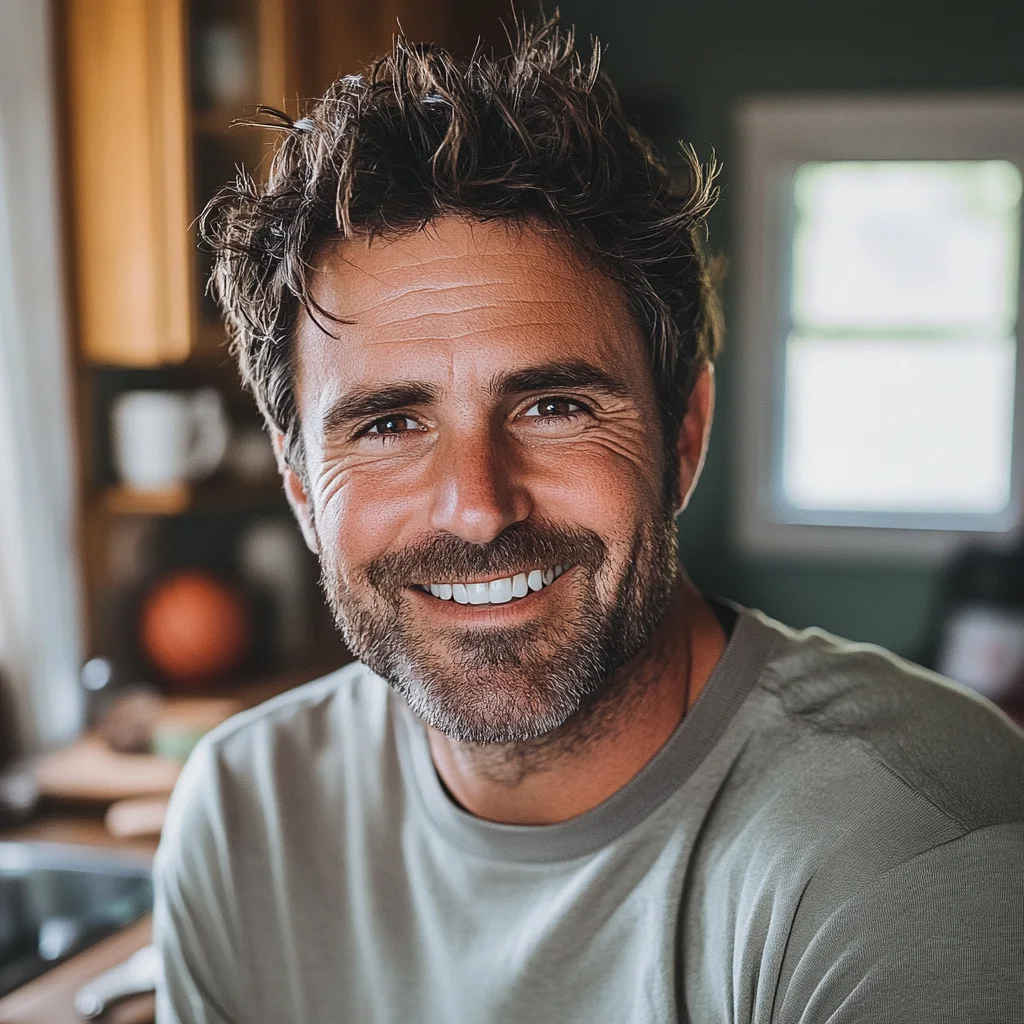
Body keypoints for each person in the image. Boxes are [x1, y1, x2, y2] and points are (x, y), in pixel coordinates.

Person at [154, 19, 1024, 1023]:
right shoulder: (242, 814)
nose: (478, 506)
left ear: (682, 437)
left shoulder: (918, 849)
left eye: (553, 406)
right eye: (389, 423)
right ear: (305, 494)